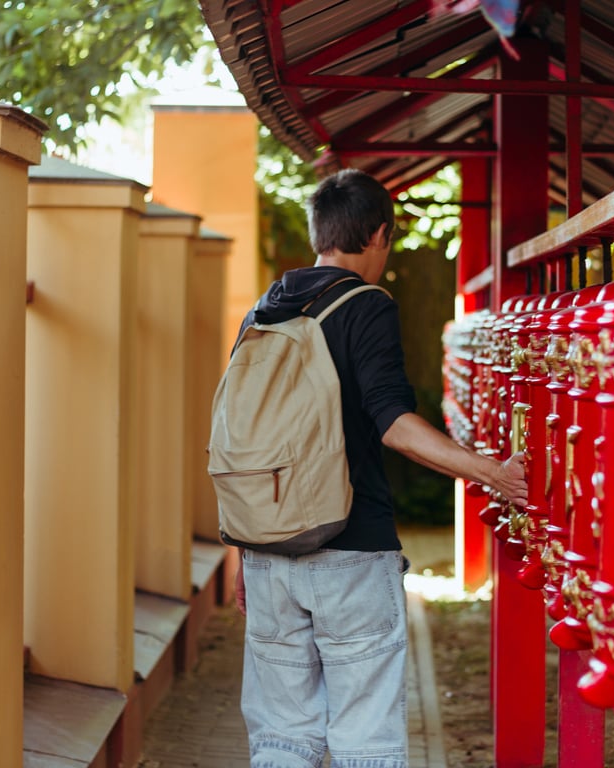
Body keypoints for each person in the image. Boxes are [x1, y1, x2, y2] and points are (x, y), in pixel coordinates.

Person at [233, 168, 528, 768]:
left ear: (320, 232)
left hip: (267, 552)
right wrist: (492, 472)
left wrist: (243, 551)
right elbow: (395, 425)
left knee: (282, 738)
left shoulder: (263, 311)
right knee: (364, 740)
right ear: (378, 236)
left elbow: (244, 440)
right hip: (350, 549)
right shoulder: (366, 307)